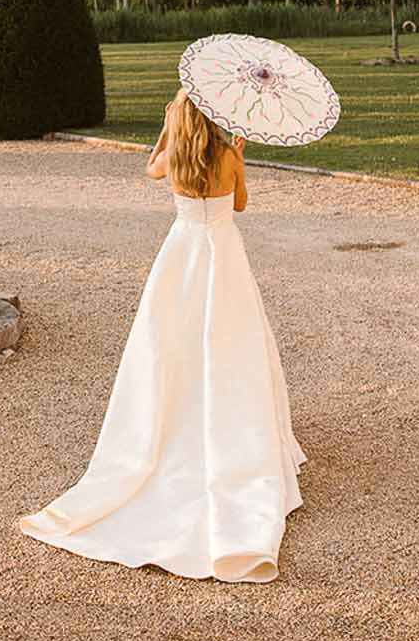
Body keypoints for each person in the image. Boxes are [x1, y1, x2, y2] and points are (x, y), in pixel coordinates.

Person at [19, 87, 305, 583]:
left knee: (169, 342)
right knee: (232, 342)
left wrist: (164, 132)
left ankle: (175, 417)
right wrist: (238, 156)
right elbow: (239, 206)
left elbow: (149, 168)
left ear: (179, 122)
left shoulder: (172, 159)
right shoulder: (228, 158)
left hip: (181, 253)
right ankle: (233, 425)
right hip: (223, 254)